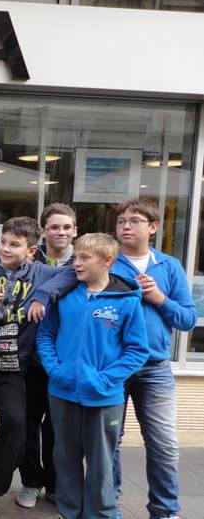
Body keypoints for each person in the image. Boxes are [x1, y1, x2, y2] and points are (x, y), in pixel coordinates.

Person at [0, 216, 76, 518]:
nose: (5, 249)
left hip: (11, 364)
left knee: (15, 424)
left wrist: (43, 294)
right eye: (3, 242)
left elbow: (75, 271)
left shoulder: (42, 273)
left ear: (31, 251)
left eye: (14, 245)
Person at [38, 233, 149, 519]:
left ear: (107, 261)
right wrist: (56, 370)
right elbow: (46, 334)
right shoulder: (65, 295)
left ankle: (101, 514)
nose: (76, 263)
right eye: (75, 257)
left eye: (84, 258)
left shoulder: (126, 301)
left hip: (104, 396)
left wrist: (104, 379)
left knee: (101, 464)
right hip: (62, 391)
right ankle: (69, 512)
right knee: (65, 459)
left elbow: (137, 350)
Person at [111, 199, 196, 519]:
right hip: (114, 367)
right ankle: (108, 506)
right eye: (121, 221)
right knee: (109, 441)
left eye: (134, 220)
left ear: (153, 227)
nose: (125, 226)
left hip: (155, 369)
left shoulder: (169, 266)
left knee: (164, 444)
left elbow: (188, 319)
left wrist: (159, 298)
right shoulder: (108, 262)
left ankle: (164, 511)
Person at [17, 202, 77, 508]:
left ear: (75, 230)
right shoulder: (29, 260)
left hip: (64, 359)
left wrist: (42, 294)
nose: (60, 232)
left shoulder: (83, 261)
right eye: (54, 227)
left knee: (58, 428)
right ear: (43, 231)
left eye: (66, 227)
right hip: (30, 358)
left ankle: (54, 483)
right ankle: (30, 481)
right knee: (26, 424)